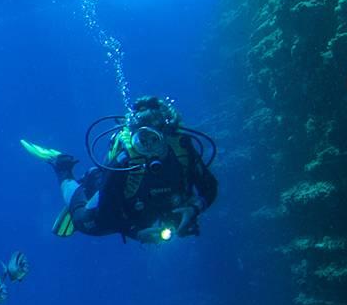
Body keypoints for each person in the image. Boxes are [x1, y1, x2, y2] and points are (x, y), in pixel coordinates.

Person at [24, 96, 217, 243]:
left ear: (165, 137)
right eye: (142, 140)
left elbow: (210, 188)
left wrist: (194, 208)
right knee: (86, 222)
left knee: (181, 223)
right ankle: (63, 167)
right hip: (120, 199)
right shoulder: (125, 160)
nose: (149, 148)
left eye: (154, 140)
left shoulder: (182, 150)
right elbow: (108, 209)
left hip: (159, 202)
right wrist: (134, 231)